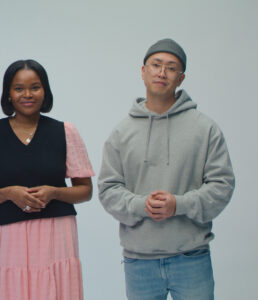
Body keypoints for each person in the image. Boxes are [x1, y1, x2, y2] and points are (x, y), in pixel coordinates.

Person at [98, 39, 235, 300]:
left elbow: (222, 186)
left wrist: (178, 204)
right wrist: (141, 205)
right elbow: (108, 189)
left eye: (171, 68)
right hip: (139, 262)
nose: (162, 73)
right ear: (143, 71)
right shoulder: (121, 133)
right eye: (156, 65)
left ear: (181, 78)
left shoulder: (205, 129)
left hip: (192, 257)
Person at [0, 59, 94, 300]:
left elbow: (85, 190)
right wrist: (7, 193)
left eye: (35, 87)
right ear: (8, 94)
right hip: (7, 238)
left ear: (45, 91)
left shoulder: (66, 132)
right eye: (18, 88)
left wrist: (54, 192)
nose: (27, 94)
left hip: (56, 235)